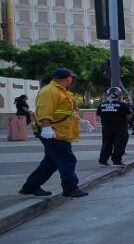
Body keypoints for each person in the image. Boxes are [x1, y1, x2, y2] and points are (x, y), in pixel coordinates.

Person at [19, 68, 90, 199]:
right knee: (67, 159)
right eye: (71, 78)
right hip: (52, 132)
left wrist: (81, 120)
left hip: (60, 131)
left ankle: (30, 186)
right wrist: (47, 128)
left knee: (50, 162)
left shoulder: (64, 92)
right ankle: (70, 188)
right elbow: (45, 111)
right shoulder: (49, 91)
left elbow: (67, 111)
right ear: (68, 78)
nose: (72, 80)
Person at [96, 86, 132, 166]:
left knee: (106, 144)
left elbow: (99, 115)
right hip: (120, 128)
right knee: (119, 144)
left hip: (106, 128)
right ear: (118, 95)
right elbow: (129, 116)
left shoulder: (101, 105)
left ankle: (103, 160)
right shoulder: (123, 105)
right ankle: (116, 160)